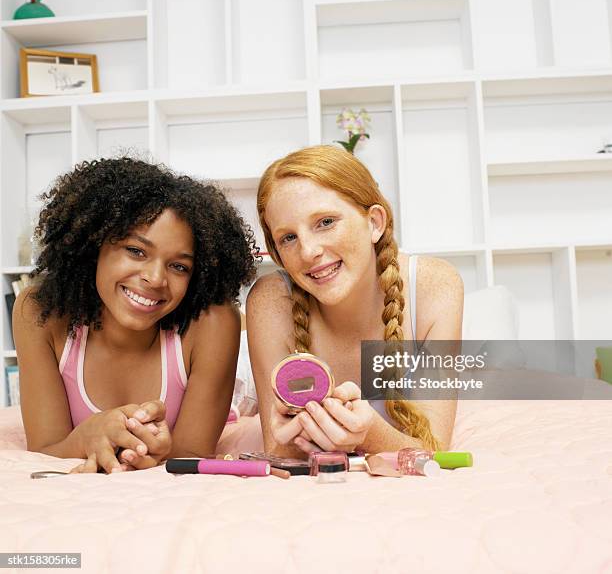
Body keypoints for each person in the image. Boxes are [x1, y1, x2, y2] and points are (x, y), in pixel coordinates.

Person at [14, 157, 257, 473]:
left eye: (179, 266)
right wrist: (89, 435)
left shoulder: (215, 323)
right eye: (136, 251)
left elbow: (191, 456)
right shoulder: (39, 313)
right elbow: (44, 449)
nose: (156, 278)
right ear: (93, 245)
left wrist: (155, 451)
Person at [247, 145, 463, 457]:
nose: (308, 252)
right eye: (288, 238)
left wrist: (370, 435)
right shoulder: (269, 301)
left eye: (325, 222)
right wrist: (287, 442)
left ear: (374, 222)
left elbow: (435, 449)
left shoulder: (435, 286)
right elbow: (277, 450)